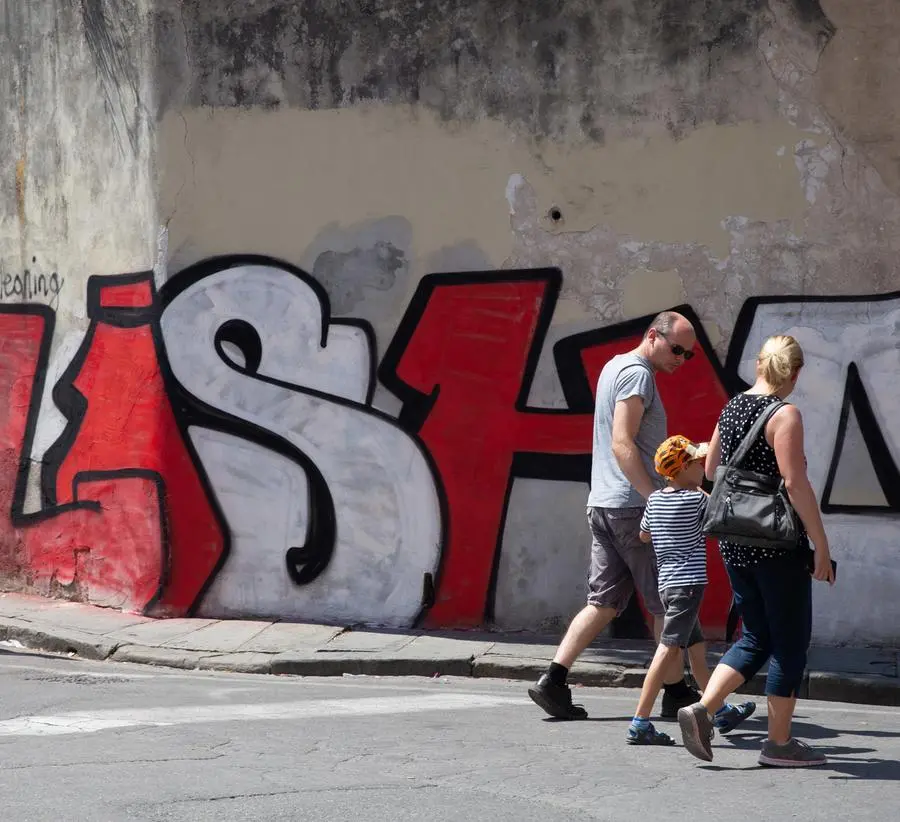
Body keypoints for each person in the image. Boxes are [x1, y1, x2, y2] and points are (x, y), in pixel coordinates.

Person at [528, 311, 701, 720]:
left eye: (688, 354)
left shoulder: (613, 365)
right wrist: (653, 497)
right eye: (676, 349)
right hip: (631, 508)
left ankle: (552, 680)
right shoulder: (638, 374)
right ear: (652, 336)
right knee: (666, 606)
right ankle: (676, 693)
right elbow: (623, 443)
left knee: (603, 601)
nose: (681, 358)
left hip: (604, 503)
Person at [678, 334, 836, 767]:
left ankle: (702, 709)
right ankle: (779, 745)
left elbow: (710, 469)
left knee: (755, 635)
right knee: (789, 643)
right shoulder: (785, 415)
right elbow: (794, 484)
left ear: (760, 365)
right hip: (777, 545)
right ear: (795, 372)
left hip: (734, 541)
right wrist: (820, 545)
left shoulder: (732, 406)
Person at [627, 435, 755, 745]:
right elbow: (719, 521)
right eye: (697, 463)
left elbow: (644, 536)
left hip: (668, 585)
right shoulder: (697, 500)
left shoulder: (655, 500)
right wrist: (701, 491)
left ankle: (720, 710)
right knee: (668, 650)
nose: (703, 467)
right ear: (683, 469)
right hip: (689, 587)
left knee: (696, 651)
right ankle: (640, 721)